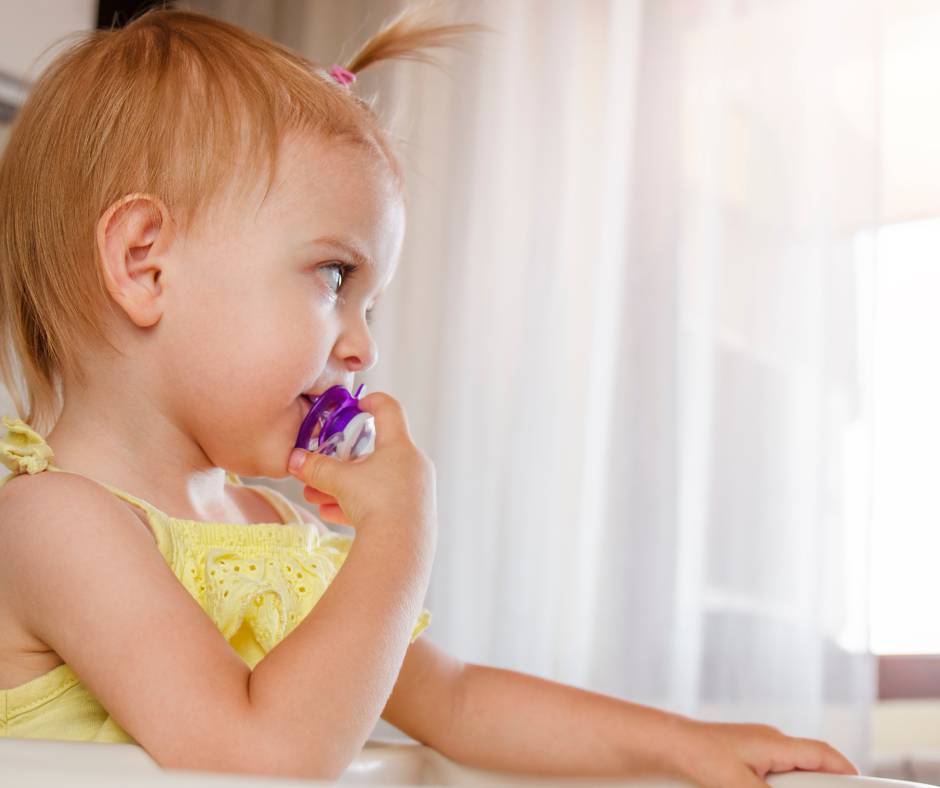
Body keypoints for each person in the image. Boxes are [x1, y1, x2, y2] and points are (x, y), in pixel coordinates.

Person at [0, 7, 857, 787]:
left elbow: (456, 702)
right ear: (145, 263)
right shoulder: (52, 523)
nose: (363, 345)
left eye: (370, 304)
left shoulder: (273, 533)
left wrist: (680, 744)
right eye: (334, 275)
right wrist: (400, 533)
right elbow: (263, 758)